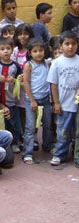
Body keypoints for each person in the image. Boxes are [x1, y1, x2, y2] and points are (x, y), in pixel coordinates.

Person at [47, 31, 79, 166]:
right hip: (64, 105)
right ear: (60, 46)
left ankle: (77, 156)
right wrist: (56, 103)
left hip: (77, 105)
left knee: (77, 133)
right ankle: (60, 154)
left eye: (73, 44)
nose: (70, 47)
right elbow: (53, 84)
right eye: (67, 44)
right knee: (63, 132)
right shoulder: (57, 63)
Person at [22, 39, 54, 164]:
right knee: (30, 127)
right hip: (32, 100)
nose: (38, 53)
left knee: (47, 124)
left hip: (46, 99)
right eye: (35, 51)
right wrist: (32, 100)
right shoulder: (28, 65)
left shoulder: (47, 63)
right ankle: (28, 152)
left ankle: (47, 145)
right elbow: (26, 82)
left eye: (40, 50)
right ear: (30, 53)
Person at [0, 38, 22, 153]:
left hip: (11, 100)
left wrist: (14, 80)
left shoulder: (15, 66)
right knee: (0, 122)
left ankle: (14, 142)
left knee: (13, 122)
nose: (5, 51)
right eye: (2, 49)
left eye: (8, 49)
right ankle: (3, 143)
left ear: (12, 51)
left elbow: (21, 81)